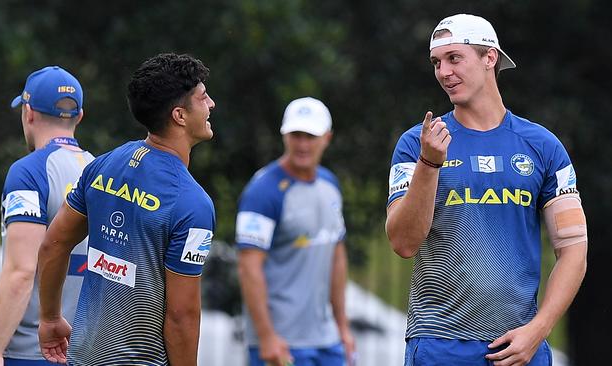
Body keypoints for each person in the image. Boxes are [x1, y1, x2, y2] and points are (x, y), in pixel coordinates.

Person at [385, 14, 588, 366]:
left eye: (454, 58)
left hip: (518, 347)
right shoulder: (416, 144)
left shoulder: (542, 145)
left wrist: (538, 330)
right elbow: (403, 243)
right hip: (439, 343)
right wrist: (429, 164)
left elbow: (573, 249)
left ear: (489, 58)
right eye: (436, 62)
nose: (443, 72)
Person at [36, 53, 216, 366]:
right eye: (202, 98)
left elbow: (54, 243)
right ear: (180, 116)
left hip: (83, 358)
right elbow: (181, 317)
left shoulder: (104, 165)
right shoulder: (193, 204)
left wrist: (50, 319)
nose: (211, 104)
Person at [0, 66, 94, 366]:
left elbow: (21, 271)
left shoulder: (28, 172)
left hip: (29, 353)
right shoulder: (100, 171)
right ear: (79, 117)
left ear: (29, 113)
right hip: (84, 351)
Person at [236, 97, 355, 366]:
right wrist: (266, 337)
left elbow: (337, 256)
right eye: (296, 135)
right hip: (282, 345)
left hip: (327, 342)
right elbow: (248, 268)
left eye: (310, 136)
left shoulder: (330, 184)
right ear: (284, 135)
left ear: (327, 137)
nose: (302, 144)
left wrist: (343, 328)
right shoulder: (262, 191)